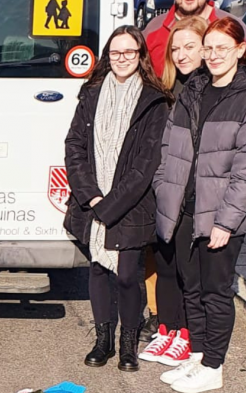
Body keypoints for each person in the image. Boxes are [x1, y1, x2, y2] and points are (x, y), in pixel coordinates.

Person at [153, 17, 246, 393]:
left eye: (223, 48)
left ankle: (213, 365)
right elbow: (167, 148)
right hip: (184, 208)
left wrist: (226, 222)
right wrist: (164, 190)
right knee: (191, 287)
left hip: (220, 214)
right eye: (209, 48)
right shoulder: (193, 90)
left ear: (240, 50)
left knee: (215, 292)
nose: (214, 55)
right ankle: (198, 354)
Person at [64, 25, 171, 373]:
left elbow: (146, 163)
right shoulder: (91, 94)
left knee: (126, 275)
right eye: (115, 52)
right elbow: (74, 146)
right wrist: (91, 196)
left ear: (140, 56)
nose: (122, 58)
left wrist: (109, 206)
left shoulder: (154, 101)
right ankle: (103, 340)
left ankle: (128, 343)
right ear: (107, 56)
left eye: (129, 52)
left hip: (131, 203)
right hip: (93, 200)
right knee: (97, 268)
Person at [139, 16, 208, 368]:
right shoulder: (167, 89)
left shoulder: (208, 90)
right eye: (176, 48)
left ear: (205, 49)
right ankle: (166, 328)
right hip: (164, 190)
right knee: (165, 266)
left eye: (189, 47)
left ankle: (186, 333)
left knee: (187, 271)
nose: (181, 55)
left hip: (191, 195)